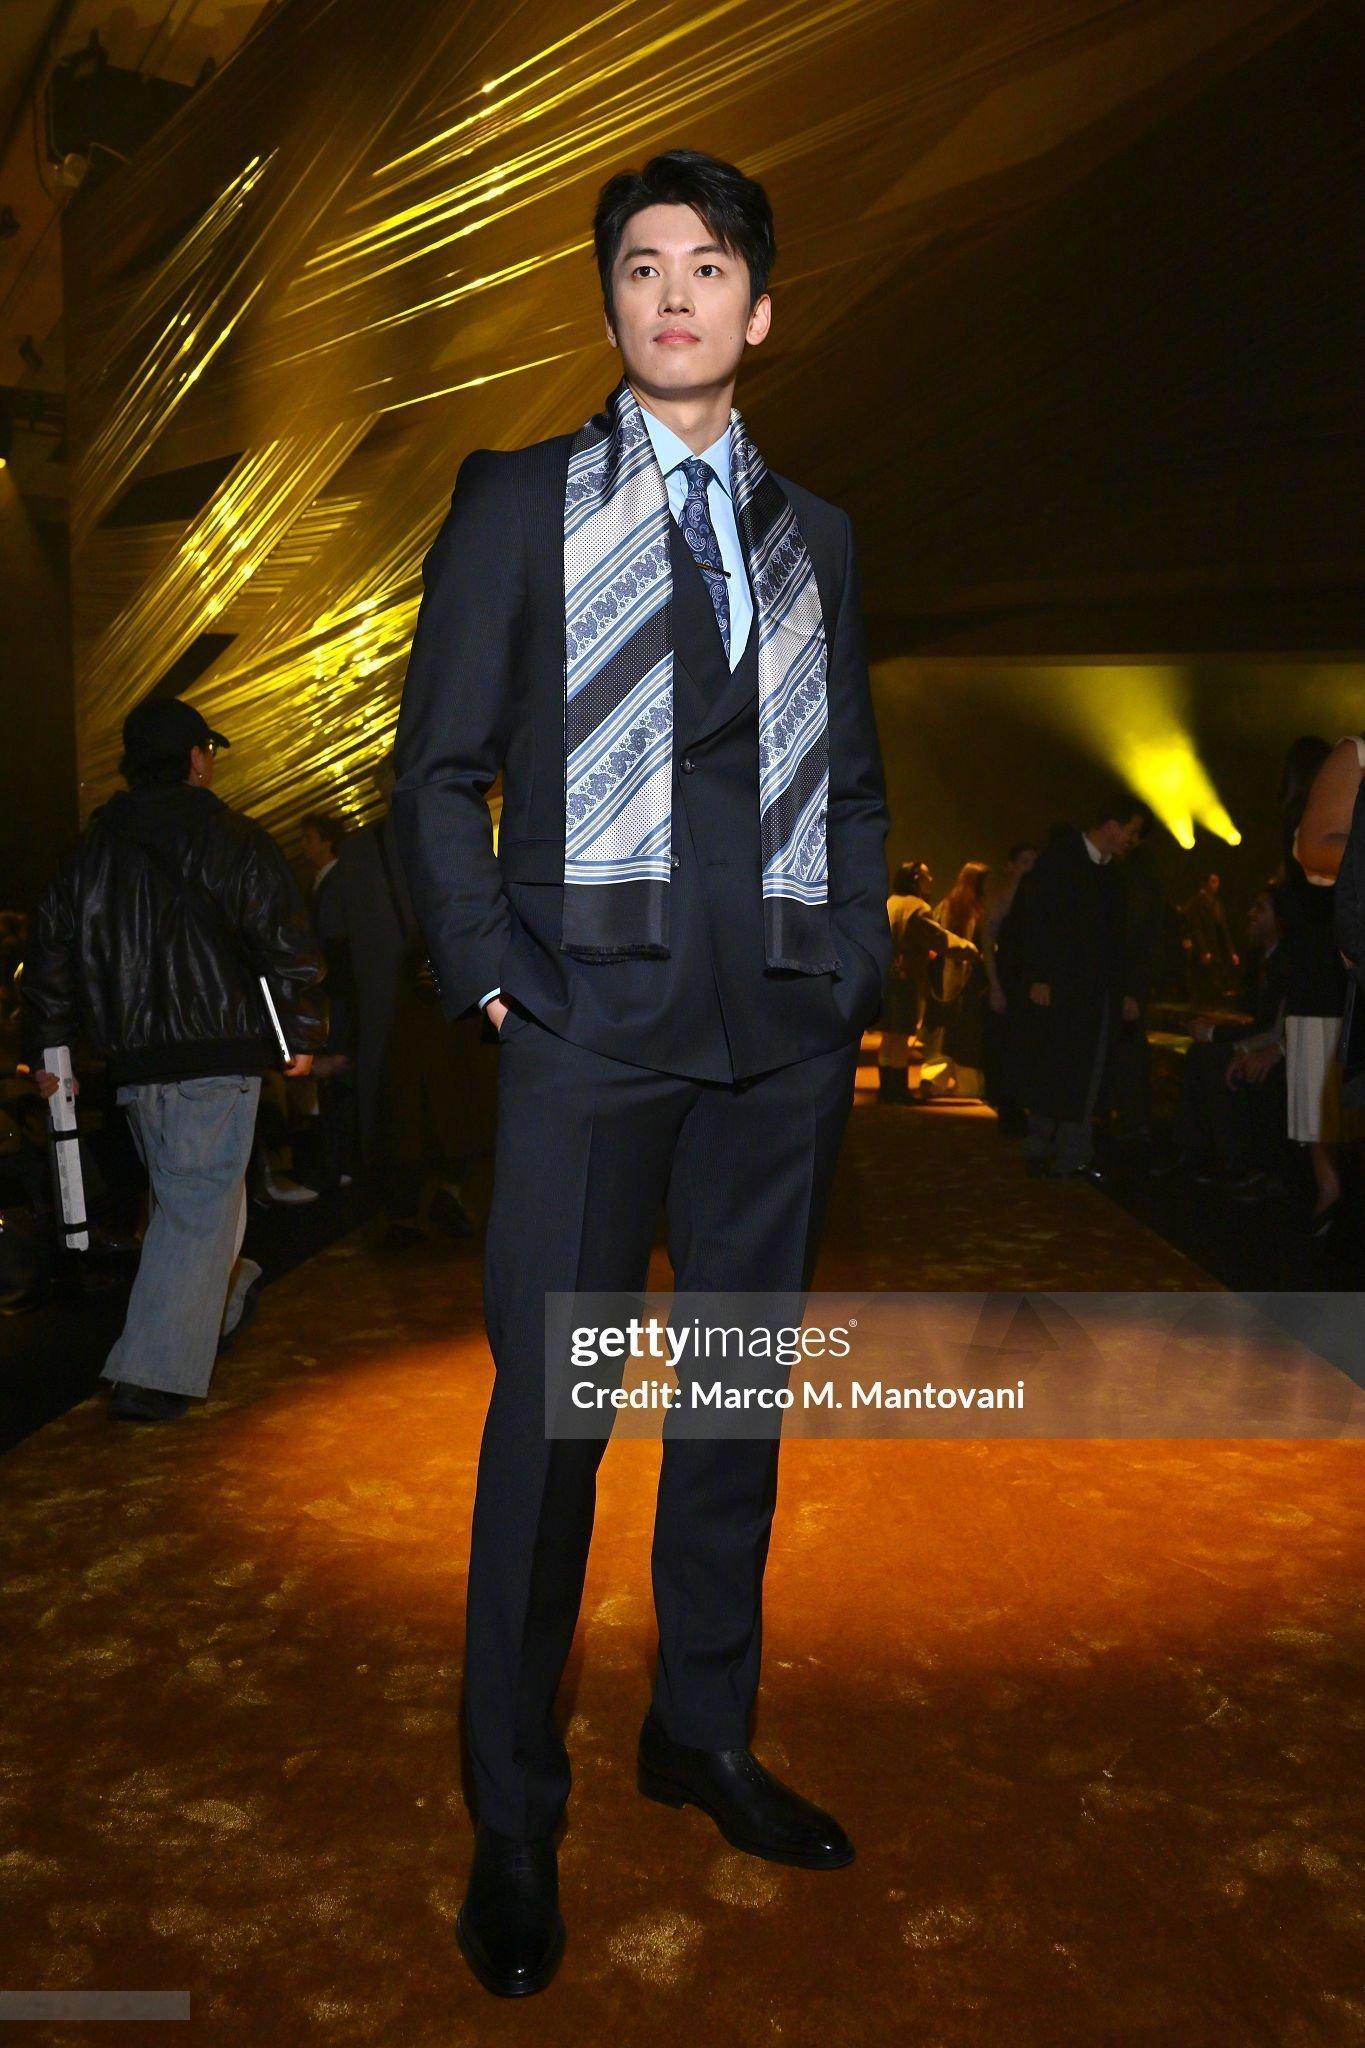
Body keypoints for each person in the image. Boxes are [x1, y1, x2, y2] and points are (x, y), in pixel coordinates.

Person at [392, 149, 891, 1997]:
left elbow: (851, 786)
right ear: (610, 302)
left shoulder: (818, 534)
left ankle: (699, 1734)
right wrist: (495, 981)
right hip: (586, 1039)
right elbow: (433, 772)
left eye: (708, 266)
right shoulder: (517, 500)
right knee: (551, 1437)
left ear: (760, 308)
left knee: (733, 1424)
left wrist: (851, 976)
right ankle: (515, 1817)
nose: (673, 294)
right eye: (641, 267)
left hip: (779, 1050)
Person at [19, 697, 326, 1421]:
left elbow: (50, 956)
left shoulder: (90, 851)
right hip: (215, 1054)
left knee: (190, 1200)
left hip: (131, 1064)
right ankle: (151, 1374)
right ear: (194, 760)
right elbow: (285, 944)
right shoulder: (235, 839)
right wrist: (301, 1035)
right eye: (208, 751)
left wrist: (47, 1050)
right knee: (196, 1209)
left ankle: (225, 1295)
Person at [1013, 794, 1151, 1179]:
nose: (1132, 840)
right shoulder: (1059, 860)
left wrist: (1125, 990)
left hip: (1097, 993)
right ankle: (1041, 1142)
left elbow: (1118, 940)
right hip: (1058, 988)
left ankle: (1072, 1152)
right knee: (1052, 1063)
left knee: (1087, 1070)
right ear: (1112, 825)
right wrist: (1038, 976)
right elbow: (1034, 921)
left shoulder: (1114, 876)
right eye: (1131, 831)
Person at [876, 861, 975, 1104]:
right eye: (926, 876)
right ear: (916, 879)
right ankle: (898, 1090)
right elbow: (938, 937)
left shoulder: (890, 902)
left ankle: (886, 1088)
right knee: (900, 1036)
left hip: (885, 977)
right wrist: (969, 949)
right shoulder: (917, 907)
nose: (930, 880)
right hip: (905, 979)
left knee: (888, 1036)